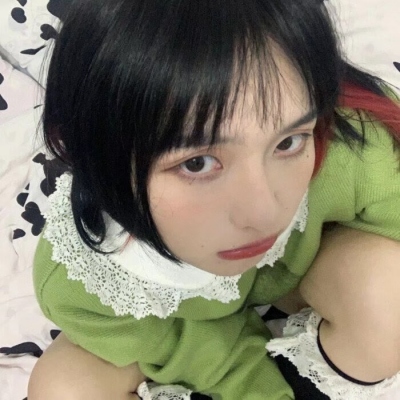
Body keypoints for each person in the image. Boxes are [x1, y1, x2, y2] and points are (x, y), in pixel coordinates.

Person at [28, 0, 400, 399]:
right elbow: (194, 350)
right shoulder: (82, 282)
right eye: (197, 163)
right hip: (171, 329)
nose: (265, 214)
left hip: (298, 280)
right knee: (61, 390)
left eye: (288, 142)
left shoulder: (350, 149)